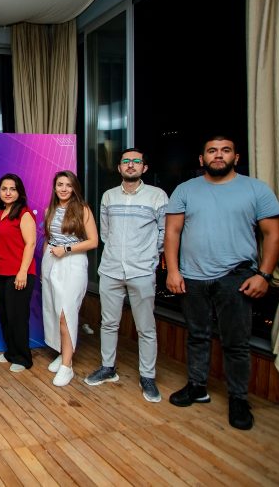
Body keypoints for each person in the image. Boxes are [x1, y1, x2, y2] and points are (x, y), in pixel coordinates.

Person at [165, 135, 279, 430]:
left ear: (236, 158)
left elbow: (273, 235)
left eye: (225, 150)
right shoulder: (185, 189)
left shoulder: (256, 189)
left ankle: (238, 398)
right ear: (202, 159)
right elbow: (173, 232)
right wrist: (173, 271)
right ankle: (197, 386)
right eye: (212, 151)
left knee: (236, 343)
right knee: (197, 335)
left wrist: (264, 275)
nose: (219, 155)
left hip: (236, 277)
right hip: (192, 276)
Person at [84, 149, 168, 402]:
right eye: (126, 162)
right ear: (119, 167)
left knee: (146, 327)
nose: (131, 165)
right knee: (109, 323)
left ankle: (147, 376)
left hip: (141, 271)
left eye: (136, 162)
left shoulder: (157, 196)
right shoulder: (109, 196)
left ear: (144, 167)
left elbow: (165, 233)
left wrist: (149, 257)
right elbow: (105, 233)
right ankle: (108, 368)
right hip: (110, 270)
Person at [41, 170, 98, 387]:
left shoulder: (83, 210)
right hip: (51, 261)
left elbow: (93, 241)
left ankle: (67, 366)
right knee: (54, 311)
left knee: (66, 313)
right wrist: (44, 269)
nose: (64, 189)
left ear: (74, 188)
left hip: (72, 262)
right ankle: (63, 352)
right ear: (54, 187)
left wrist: (66, 249)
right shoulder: (50, 210)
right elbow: (48, 239)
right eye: (60, 185)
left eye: (68, 185)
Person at [0, 174, 37, 373]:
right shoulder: (0, 213)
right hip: (1, 272)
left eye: (12, 189)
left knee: (17, 317)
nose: (8, 192)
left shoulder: (24, 214)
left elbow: (31, 244)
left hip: (19, 273)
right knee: (6, 315)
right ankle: (11, 352)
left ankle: (23, 358)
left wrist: (23, 271)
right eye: (4, 189)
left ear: (19, 192)